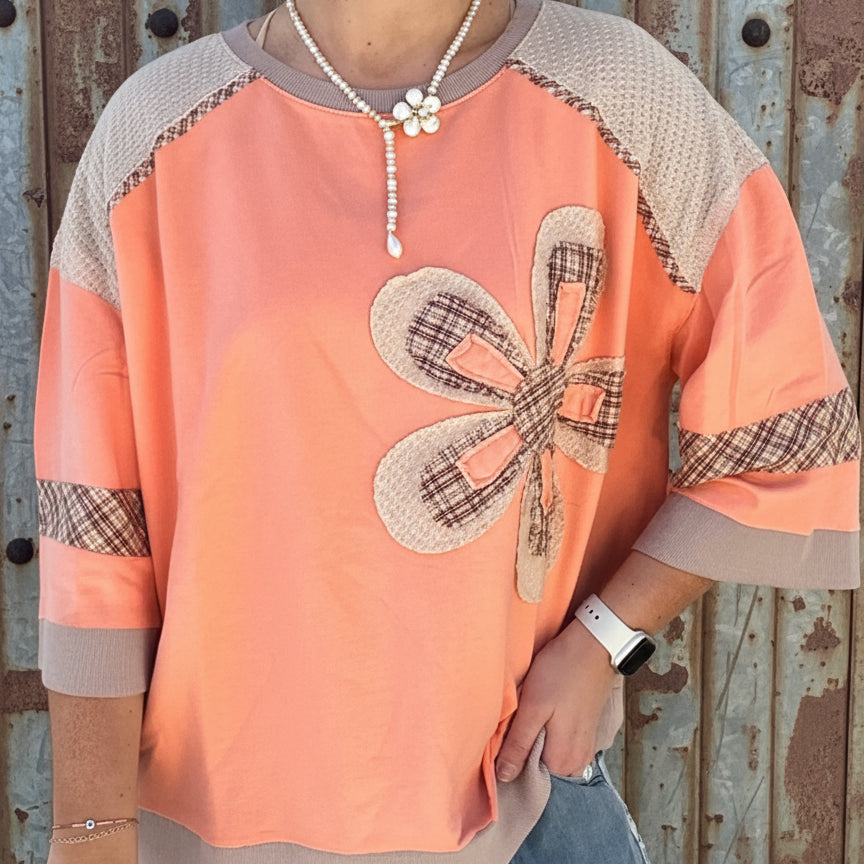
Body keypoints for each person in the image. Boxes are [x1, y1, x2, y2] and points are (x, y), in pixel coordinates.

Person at [34, 1, 860, 862]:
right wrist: (90, 830)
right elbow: (94, 520)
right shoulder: (155, 135)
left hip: (520, 802)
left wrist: (606, 638)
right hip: (218, 821)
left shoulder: (620, 95)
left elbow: (783, 424)